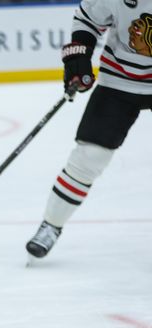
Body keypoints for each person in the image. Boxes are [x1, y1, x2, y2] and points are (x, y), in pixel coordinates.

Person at [26, 0, 152, 259]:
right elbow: (88, 19)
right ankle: (51, 224)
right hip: (119, 79)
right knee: (88, 157)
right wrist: (78, 58)